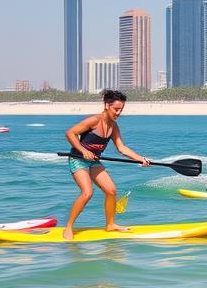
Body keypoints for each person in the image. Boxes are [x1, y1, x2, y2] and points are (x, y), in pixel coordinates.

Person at [62, 89, 149, 240]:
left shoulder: (114, 127)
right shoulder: (94, 121)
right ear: (107, 105)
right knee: (87, 192)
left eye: (121, 110)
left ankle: (110, 224)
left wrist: (140, 158)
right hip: (78, 159)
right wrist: (83, 150)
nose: (118, 113)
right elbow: (70, 133)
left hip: (94, 162)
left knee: (111, 190)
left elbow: (121, 148)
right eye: (116, 109)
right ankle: (69, 227)